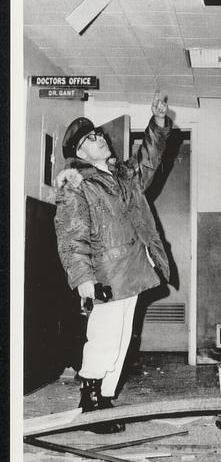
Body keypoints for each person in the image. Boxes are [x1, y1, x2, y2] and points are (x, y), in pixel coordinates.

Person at [54, 93, 172, 432]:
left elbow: (148, 162)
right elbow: (71, 235)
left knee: (121, 338)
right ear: (79, 153)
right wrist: (83, 279)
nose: (100, 138)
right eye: (90, 138)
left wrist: (158, 123)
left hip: (134, 267)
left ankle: (104, 398)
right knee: (103, 336)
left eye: (99, 133)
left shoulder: (123, 174)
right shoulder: (77, 184)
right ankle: (89, 401)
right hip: (106, 273)